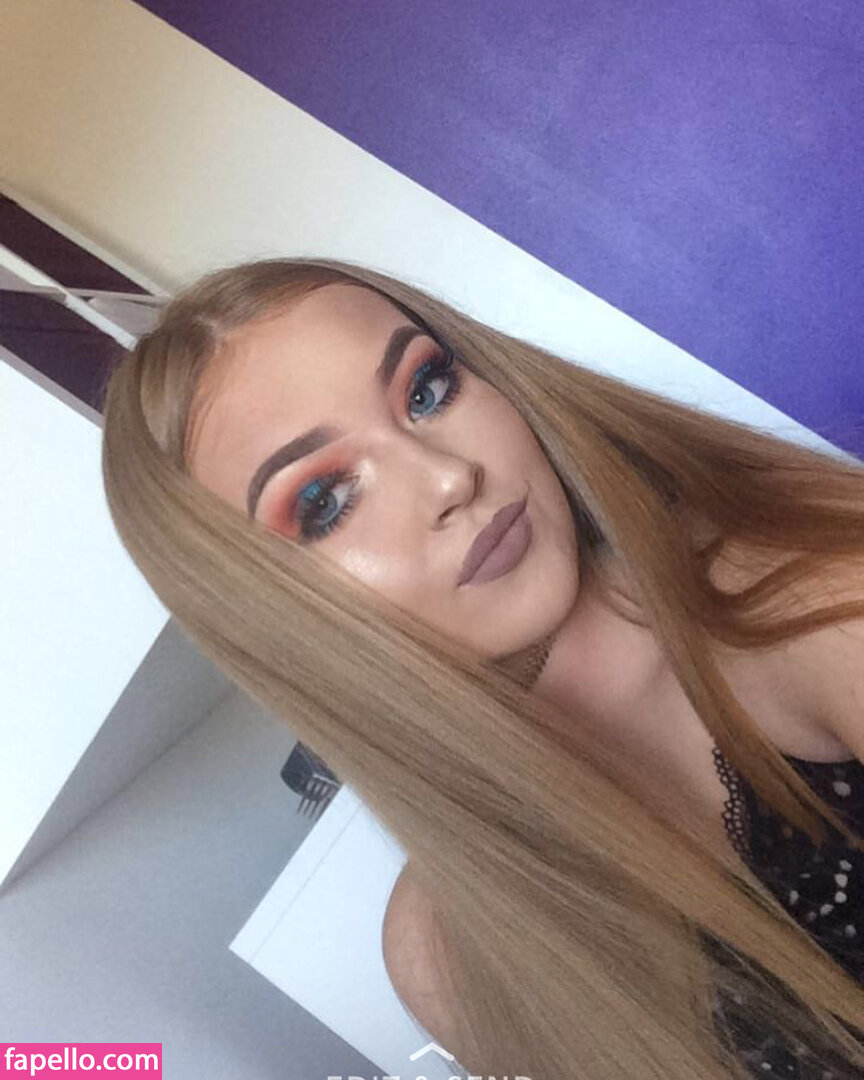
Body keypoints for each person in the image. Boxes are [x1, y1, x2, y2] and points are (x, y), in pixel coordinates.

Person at [100, 256, 864, 1079]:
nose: (449, 477)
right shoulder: (442, 961)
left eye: (427, 390)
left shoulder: (814, 604)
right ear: (272, 618)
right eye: (325, 501)